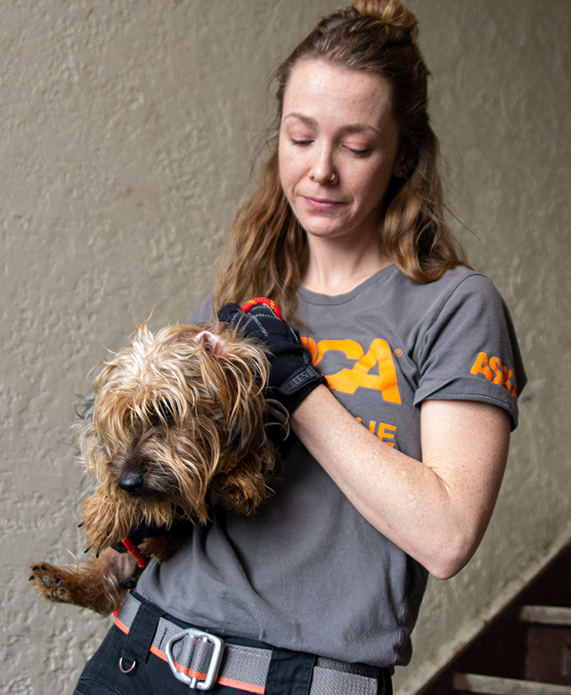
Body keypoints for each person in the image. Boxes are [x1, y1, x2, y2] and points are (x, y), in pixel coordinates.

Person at [71, 1, 526, 693]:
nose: (321, 170)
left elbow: (446, 535)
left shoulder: (455, 308)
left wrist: (298, 386)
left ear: (404, 153)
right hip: (141, 655)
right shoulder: (242, 302)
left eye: (357, 145)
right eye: (301, 136)